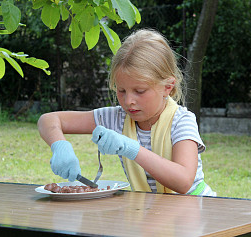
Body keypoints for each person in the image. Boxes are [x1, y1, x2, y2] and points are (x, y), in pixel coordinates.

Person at [37, 28, 215, 196]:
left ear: (168, 87)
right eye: (121, 90)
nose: (128, 101)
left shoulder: (181, 121)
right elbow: (48, 120)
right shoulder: (117, 118)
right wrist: (59, 146)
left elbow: (183, 181)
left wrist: (130, 148)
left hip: (197, 209)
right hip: (155, 212)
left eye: (140, 91)